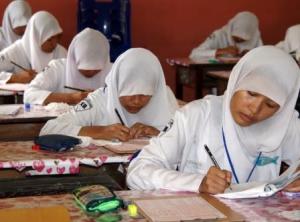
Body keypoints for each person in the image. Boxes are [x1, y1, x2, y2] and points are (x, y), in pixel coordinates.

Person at [127, 46, 300, 194]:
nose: (255, 109)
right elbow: (138, 171)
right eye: (251, 94)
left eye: (270, 105)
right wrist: (197, 183)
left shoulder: (285, 123)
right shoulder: (196, 115)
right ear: (237, 81)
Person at [40, 48, 179, 141]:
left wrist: (158, 133)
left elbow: (187, 139)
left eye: (144, 95)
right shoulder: (100, 99)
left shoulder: (164, 96)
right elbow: (49, 129)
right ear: (117, 86)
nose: (136, 101)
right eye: (129, 93)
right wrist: (99, 132)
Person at [24, 28, 112, 105]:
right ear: (74, 59)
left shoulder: (114, 71)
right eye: (83, 68)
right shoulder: (57, 68)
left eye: (97, 69)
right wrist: (71, 98)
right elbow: (29, 95)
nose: (90, 72)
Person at [0, 11, 67, 84]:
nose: (55, 44)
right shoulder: (14, 52)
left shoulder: (61, 52)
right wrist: (16, 77)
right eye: (49, 39)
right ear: (36, 37)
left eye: (58, 37)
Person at [189, 11, 263, 60]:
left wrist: (251, 55)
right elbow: (194, 54)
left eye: (244, 39)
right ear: (231, 29)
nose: (239, 40)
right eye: (236, 37)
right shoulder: (219, 35)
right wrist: (221, 51)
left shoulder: (255, 37)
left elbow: (263, 58)